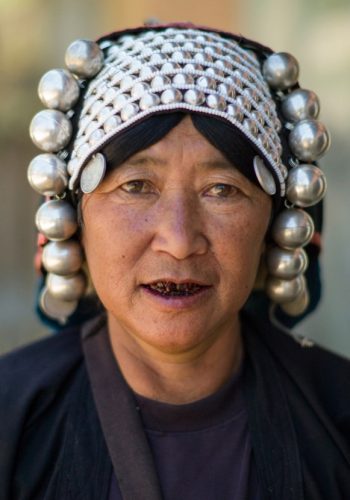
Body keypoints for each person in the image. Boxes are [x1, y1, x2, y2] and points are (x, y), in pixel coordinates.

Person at [0, 22, 349, 500]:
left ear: (275, 222)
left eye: (221, 190)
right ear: (74, 217)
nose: (180, 242)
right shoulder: (10, 421)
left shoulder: (338, 420)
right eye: (136, 186)